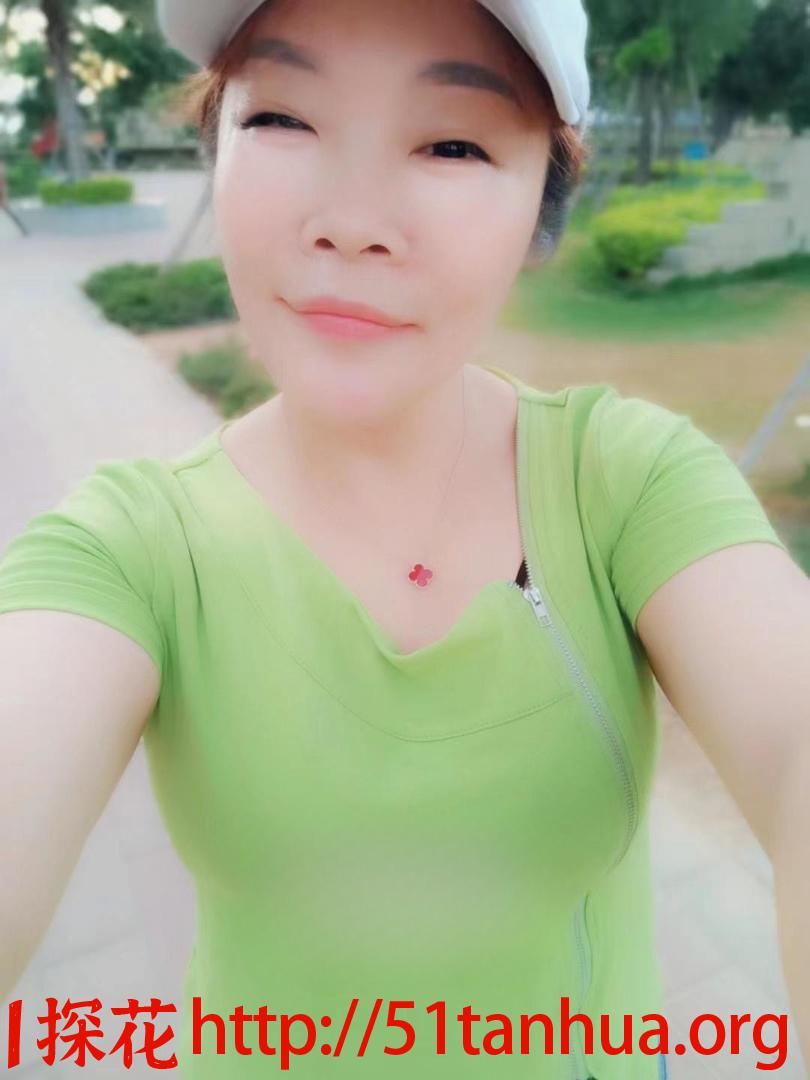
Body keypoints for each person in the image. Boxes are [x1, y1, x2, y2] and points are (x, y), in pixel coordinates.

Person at [1, 1, 808, 1078]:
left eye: (453, 144)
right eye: (282, 119)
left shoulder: (625, 482)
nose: (351, 222)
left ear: (541, 208)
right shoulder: (129, 547)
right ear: (215, 147)